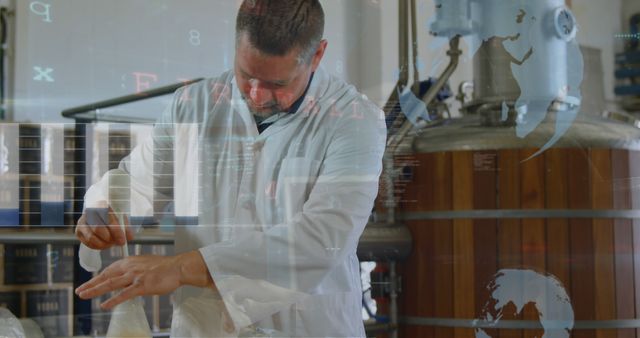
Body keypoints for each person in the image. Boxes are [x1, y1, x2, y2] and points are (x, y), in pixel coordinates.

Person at [74, 0, 387, 336]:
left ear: (317, 56)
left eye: (277, 85)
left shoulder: (355, 121)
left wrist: (181, 268)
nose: (256, 95)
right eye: (246, 75)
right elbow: (135, 184)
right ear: (236, 46)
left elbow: (322, 238)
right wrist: (103, 213)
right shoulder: (193, 106)